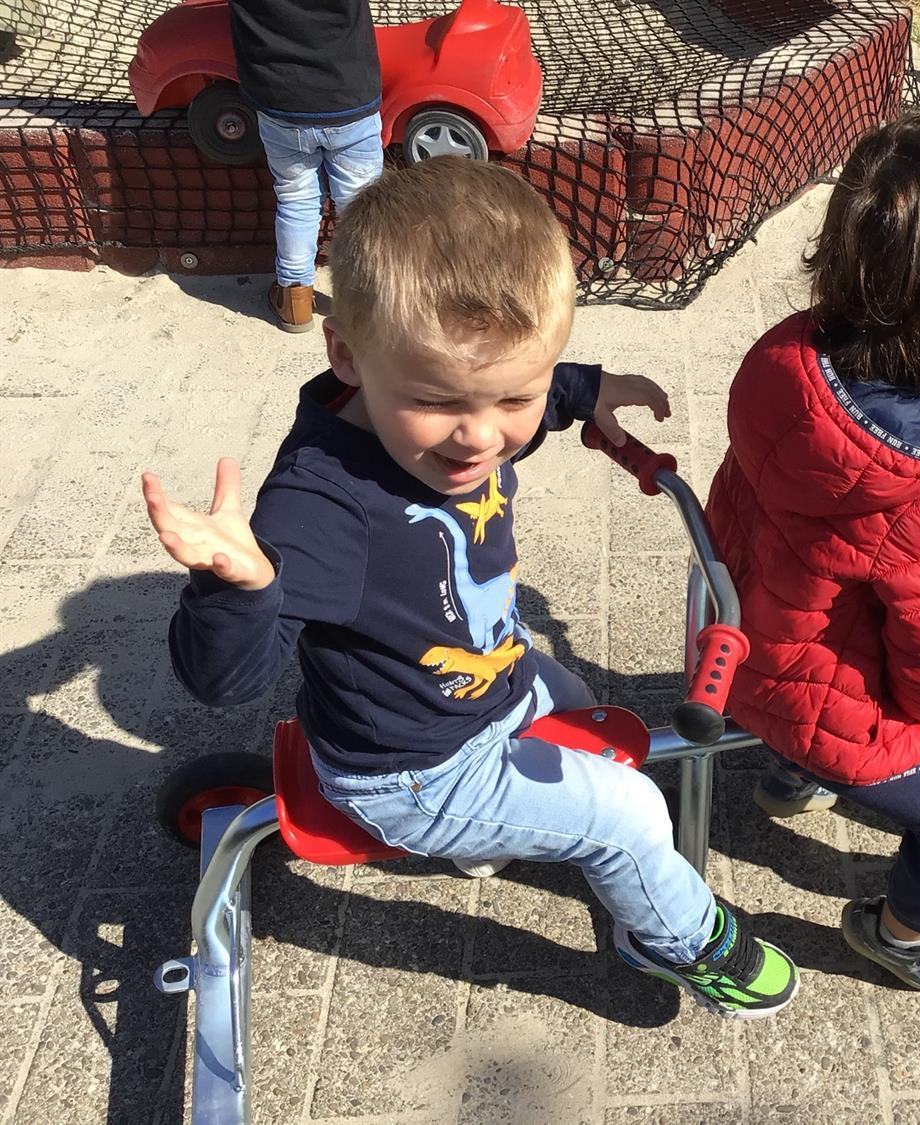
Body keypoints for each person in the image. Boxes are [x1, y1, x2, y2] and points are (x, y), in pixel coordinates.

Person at [140, 158, 799, 1019]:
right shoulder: (321, 509)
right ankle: (677, 940)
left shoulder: (452, 409)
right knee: (632, 813)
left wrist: (579, 391)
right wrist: (241, 587)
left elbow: (500, 381)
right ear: (346, 353)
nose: (481, 438)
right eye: (440, 401)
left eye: (513, 398)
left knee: (579, 702)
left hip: (490, 683)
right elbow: (223, 680)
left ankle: (509, 837)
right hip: (412, 771)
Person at [704, 110, 920, 991]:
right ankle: (902, 935)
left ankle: (788, 771)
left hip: (738, 632)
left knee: (819, 610)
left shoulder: (785, 355)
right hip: (817, 694)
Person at [228, 0, 385, 332]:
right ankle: (370, 304)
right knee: (362, 207)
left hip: (279, 102)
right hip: (349, 98)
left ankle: (294, 301)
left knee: (295, 199)